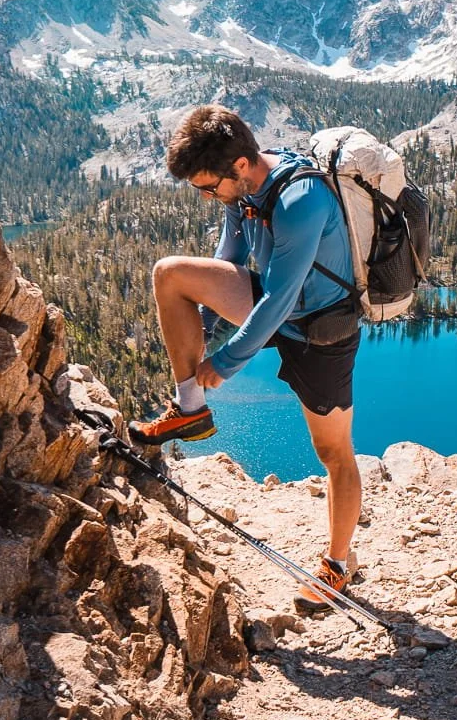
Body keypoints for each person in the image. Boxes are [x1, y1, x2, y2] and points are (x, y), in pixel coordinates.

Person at [128, 104, 361, 612]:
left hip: (320, 328)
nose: (209, 198)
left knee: (334, 454)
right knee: (171, 274)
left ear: (238, 166)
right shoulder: (243, 189)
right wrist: (206, 319)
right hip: (275, 304)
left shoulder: (302, 198)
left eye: (208, 187)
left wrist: (226, 361)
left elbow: (277, 300)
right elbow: (228, 260)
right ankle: (190, 410)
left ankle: (340, 565)